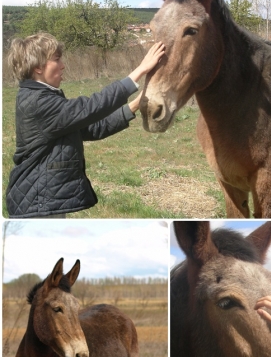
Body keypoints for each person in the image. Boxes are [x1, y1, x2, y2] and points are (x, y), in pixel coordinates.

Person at [5, 32, 165, 218]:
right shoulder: (38, 102)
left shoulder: (41, 97)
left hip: (40, 200)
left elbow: (92, 128)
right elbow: (91, 107)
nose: (63, 65)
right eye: (56, 59)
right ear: (38, 67)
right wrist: (141, 70)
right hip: (37, 201)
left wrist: (137, 103)